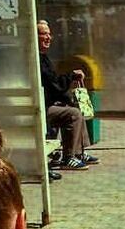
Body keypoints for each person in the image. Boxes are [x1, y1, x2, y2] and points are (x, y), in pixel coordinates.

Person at [37, 19, 99, 171]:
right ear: (34, 36)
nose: (48, 38)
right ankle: (69, 157)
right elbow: (54, 85)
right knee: (73, 114)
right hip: (40, 108)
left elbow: (53, 85)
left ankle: (79, 153)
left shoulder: (42, 57)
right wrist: (71, 76)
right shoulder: (36, 59)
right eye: (44, 34)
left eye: (49, 34)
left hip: (45, 104)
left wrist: (68, 99)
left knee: (74, 107)